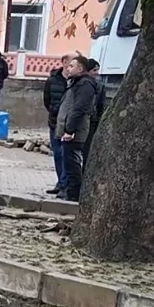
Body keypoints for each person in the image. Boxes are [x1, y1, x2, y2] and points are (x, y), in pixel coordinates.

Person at [56, 55, 102, 202]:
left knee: (73, 162)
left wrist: (70, 130)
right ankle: (69, 191)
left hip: (76, 131)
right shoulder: (76, 83)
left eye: (71, 66)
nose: (68, 69)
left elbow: (79, 109)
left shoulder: (85, 85)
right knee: (68, 162)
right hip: (71, 129)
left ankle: (74, 193)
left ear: (80, 69)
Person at [43, 51, 79, 195]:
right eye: (71, 63)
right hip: (54, 122)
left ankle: (65, 185)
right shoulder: (53, 80)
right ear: (64, 63)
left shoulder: (76, 82)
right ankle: (61, 183)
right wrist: (54, 111)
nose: (72, 67)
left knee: (67, 155)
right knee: (58, 154)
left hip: (69, 124)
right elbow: (47, 100)